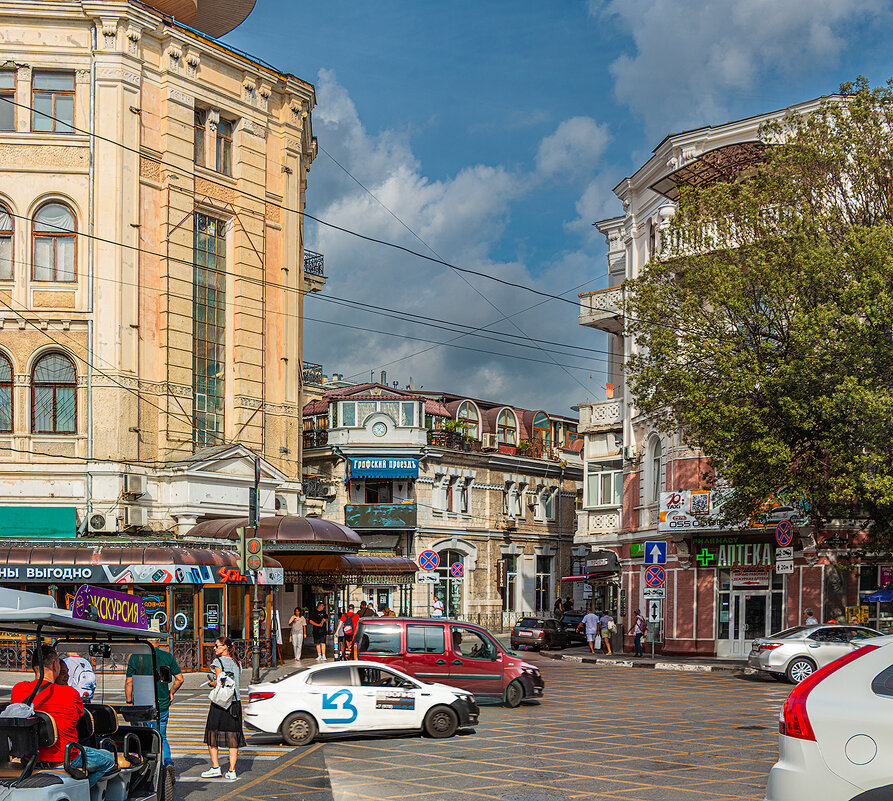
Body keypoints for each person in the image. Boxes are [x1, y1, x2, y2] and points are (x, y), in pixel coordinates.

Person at [12, 646, 115, 789]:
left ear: (32, 666)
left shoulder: (19, 689)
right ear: (55, 665)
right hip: (66, 759)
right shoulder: (70, 694)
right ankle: (84, 793)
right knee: (109, 759)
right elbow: (79, 717)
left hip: (30, 759)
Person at [125, 636, 183, 779]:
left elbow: (129, 682)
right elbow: (180, 678)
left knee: (140, 735)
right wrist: (171, 692)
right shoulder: (166, 657)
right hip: (161, 704)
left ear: (145, 641)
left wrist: (129, 702)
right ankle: (167, 763)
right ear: (159, 641)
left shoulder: (135, 657)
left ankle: (144, 767)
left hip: (141, 705)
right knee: (161, 736)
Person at [201, 637, 245, 781]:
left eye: (217, 646)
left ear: (225, 647)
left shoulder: (217, 662)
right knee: (233, 736)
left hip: (221, 703)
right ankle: (232, 770)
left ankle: (215, 767)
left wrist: (210, 683)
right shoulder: (237, 662)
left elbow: (220, 682)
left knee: (212, 734)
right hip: (235, 702)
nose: (214, 648)